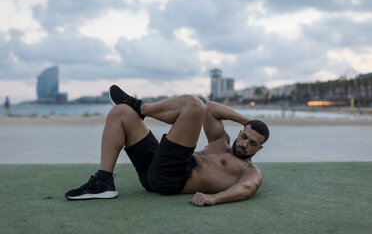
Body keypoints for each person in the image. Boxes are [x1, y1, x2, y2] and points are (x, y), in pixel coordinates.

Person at [65, 85, 269, 206]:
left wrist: (213, 199)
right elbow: (211, 109)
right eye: (244, 136)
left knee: (193, 104)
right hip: (154, 170)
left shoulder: (250, 171)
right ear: (240, 131)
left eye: (252, 144)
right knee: (121, 112)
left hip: (174, 178)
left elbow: (245, 190)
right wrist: (247, 120)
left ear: (259, 149)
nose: (244, 144)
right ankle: (103, 182)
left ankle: (140, 106)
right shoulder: (220, 141)